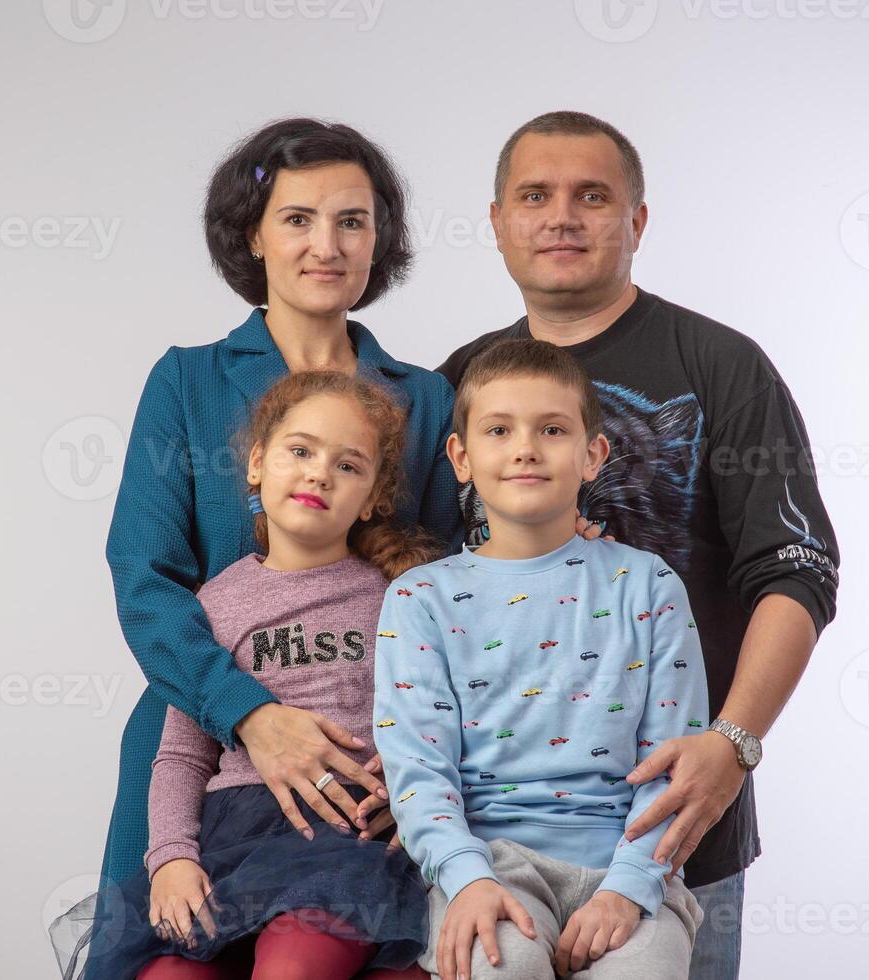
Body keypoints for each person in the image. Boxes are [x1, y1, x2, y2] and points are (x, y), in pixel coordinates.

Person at [435, 111, 842, 980]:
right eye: (534, 196)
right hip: (494, 848)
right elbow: (410, 594)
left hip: (679, 823)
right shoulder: (456, 383)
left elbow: (797, 572)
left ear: (637, 222)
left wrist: (731, 743)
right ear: (498, 221)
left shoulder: (720, 365)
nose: (562, 217)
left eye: (592, 195)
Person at [92, 117, 465, 916]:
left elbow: (443, 605)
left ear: (378, 242)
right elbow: (143, 580)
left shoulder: (428, 400)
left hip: (366, 786)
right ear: (253, 237)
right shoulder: (186, 384)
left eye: (351, 222)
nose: (325, 245)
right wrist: (248, 715)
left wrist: (420, 775)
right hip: (192, 756)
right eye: (297, 219)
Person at [72, 371, 441, 980]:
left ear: (374, 497)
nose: (320, 473)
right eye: (301, 451)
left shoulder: (399, 599)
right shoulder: (216, 603)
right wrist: (169, 859)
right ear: (257, 464)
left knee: (293, 966)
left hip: (344, 848)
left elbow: (438, 721)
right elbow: (182, 756)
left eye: (348, 466)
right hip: (229, 845)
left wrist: (413, 795)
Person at [370, 338, 710, 980]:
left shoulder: (649, 586)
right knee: (502, 969)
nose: (525, 447)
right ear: (461, 458)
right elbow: (417, 768)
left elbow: (676, 759)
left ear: (592, 455)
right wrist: (464, 877)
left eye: (551, 429)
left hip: (628, 867)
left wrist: (630, 886)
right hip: (487, 866)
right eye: (500, 430)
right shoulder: (420, 598)